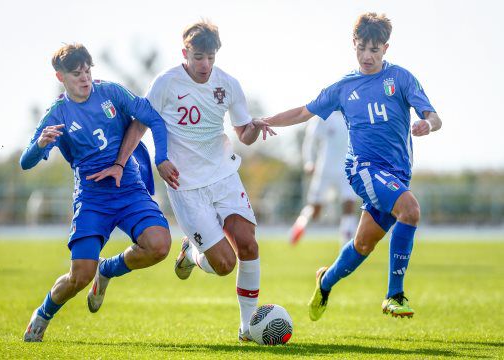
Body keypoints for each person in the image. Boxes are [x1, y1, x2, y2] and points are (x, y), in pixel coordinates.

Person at [263, 13, 442, 320]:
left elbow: (435, 117)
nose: (367, 56)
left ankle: (325, 281)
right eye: (361, 48)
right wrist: (265, 121)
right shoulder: (344, 88)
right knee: (410, 210)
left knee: (362, 244)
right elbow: (303, 112)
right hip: (363, 169)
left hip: (396, 174)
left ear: (385, 48)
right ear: (353, 45)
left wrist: (427, 124)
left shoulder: (400, 78)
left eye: (374, 49)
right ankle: (394, 295)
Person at [119, 21, 275, 341]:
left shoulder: (228, 84)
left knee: (248, 243)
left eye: (211, 57)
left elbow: (243, 134)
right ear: (185, 53)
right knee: (224, 265)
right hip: (185, 186)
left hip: (224, 176)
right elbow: (140, 125)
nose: (205, 65)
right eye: (199, 57)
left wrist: (255, 126)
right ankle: (190, 253)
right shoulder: (166, 83)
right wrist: (122, 163)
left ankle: (247, 329)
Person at [20, 43, 179, 342]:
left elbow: (153, 118)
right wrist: (40, 145)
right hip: (92, 198)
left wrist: (161, 159)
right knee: (79, 276)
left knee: (159, 245)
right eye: (77, 73)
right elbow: (25, 162)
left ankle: (108, 270)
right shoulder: (58, 114)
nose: (85, 78)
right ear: (60, 77)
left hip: (128, 187)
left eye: (88, 71)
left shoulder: (112, 93)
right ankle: (43, 313)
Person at [290, 111, 358, 246]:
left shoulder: (354, 113)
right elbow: (310, 141)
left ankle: (346, 246)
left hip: (347, 169)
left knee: (349, 204)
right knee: (315, 210)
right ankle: (298, 227)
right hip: (325, 169)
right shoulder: (323, 115)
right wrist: (309, 162)